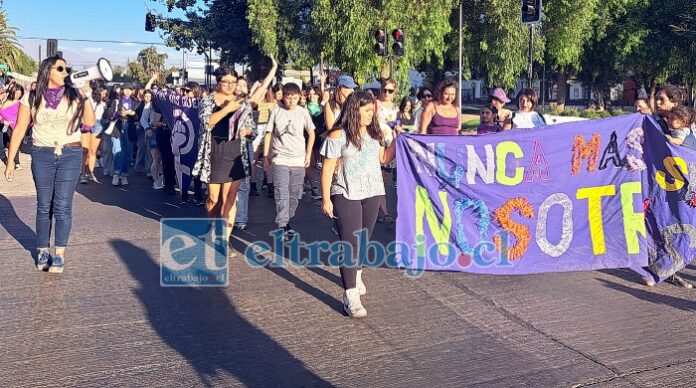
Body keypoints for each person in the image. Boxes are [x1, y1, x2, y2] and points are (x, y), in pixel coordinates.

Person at [4, 55, 96, 273]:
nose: (65, 72)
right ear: (48, 71)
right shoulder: (32, 96)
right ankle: (42, 249)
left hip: (70, 153)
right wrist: (9, 162)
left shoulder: (75, 94)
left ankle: (60, 254)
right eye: (60, 68)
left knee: (63, 205)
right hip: (42, 153)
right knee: (44, 205)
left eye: (67, 68)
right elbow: (19, 129)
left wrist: (87, 96)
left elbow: (90, 123)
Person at [320, 90, 399, 318]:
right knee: (350, 244)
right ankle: (350, 296)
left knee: (364, 239)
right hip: (346, 192)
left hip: (372, 191)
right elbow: (327, 168)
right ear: (355, 110)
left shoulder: (374, 133)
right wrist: (326, 198)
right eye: (366, 111)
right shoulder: (338, 135)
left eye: (372, 110)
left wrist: (397, 139)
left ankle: (358, 273)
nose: (370, 114)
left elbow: (384, 158)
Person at [192, 66, 251, 252]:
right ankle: (212, 228)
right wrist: (228, 109)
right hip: (214, 155)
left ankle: (225, 239)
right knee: (213, 199)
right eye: (226, 82)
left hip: (235, 154)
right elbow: (207, 122)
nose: (230, 86)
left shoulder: (242, 102)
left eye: (233, 82)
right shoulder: (207, 100)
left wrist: (246, 131)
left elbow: (250, 126)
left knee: (230, 198)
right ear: (219, 82)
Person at [263, 83, 316, 240]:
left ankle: (286, 218)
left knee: (294, 195)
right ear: (283, 96)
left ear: (299, 97)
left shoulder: (303, 112)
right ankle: (282, 224)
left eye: (294, 97)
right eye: (288, 97)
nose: (291, 101)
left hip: (298, 160)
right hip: (280, 158)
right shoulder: (276, 111)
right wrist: (266, 157)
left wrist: (308, 154)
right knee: (281, 192)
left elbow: (311, 133)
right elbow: (268, 134)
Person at [110, 83, 141, 186]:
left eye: (129, 89)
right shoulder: (116, 101)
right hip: (117, 127)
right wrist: (119, 113)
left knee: (128, 152)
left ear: (132, 91)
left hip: (129, 127)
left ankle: (124, 174)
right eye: (125, 89)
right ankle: (116, 173)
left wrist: (133, 114)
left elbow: (138, 117)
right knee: (117, 151)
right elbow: (110, 115)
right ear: (122, 90)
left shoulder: (135, 102)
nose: (127, 91)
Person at [80, 84, 108, 183]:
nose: (105, 94)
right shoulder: (88, 98)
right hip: (86, 123)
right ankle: (82, 173)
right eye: (103, 92)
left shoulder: (104, 102)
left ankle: (90, 172)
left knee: (93, 151)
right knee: (85, 150)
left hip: (98, 124)